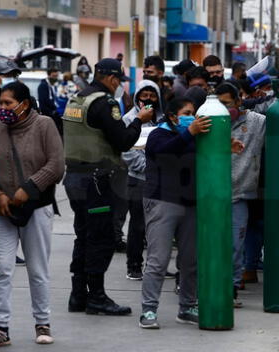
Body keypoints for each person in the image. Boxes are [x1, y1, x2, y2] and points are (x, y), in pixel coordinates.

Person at [139, 98, 243, 329]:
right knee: (158, 260)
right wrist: (190, 134)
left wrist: (226, 148)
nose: (193, 116)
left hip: (191, 204)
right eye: (187, 113)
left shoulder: (194, 137)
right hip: (162, 202)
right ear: (174, 117)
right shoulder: (159, 135)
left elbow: (203, 158)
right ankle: (148, 310)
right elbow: (167, 154)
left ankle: (187, 307)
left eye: (193, 112)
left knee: (190, 261)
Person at [63, 58, 153, 316]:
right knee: (100, 238)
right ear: (112, 79)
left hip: (75, 179)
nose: (118, 86)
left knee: (83, 235)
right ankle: (97, 298)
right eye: (118, 81)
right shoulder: (105, 103)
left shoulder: (77, 99)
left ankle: (78, 295)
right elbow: (124, 141)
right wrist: (139, 119)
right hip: (97, 182)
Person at [0, 81, 64, 347]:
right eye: (1, 103)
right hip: (3, 208)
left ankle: (42, 322)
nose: (3, 109)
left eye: (8, 103)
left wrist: (29, 188)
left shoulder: (44, 125)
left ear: (24, 104)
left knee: (37, 269)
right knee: (1, 268)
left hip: (37, 207)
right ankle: (0, 327)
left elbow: (56, 164)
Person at [216, 82, 266, 306]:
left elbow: (276, 112)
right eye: (219, 104)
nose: (223, 109)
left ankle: (233, 287)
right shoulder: (212, 120)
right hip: (212, 195)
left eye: (227, 104)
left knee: (236, 244)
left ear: (238, 101)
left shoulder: (256, 122)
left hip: (240, 195)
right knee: (213, 243)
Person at [121, 79, 163, 280]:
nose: (148, 99)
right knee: (137, 225)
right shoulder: (128, 119)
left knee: (157, 226)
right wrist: (150, 168)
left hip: (161, 181)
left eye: (152, 95)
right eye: (144, 95)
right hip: (138, 179)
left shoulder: (162, 119)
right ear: (137, 97)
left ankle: (155, 265)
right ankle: (134, 265)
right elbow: (127, 152)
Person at [37, 67, 62, 136]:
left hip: (56, 114)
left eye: (56, 76)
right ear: (49, 75)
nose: (55, 78)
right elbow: (43, 102)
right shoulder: (43, 86)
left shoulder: (54, 85)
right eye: (53, 76)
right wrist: (52, 112)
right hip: (49, 115)